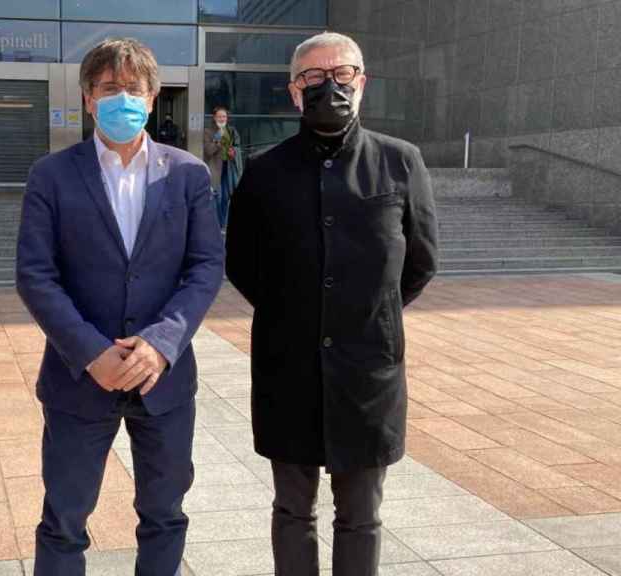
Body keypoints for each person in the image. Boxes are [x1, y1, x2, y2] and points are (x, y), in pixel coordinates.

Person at [225, 32, 438, 576]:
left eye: (341, 75)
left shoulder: (401, 163)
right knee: (293, 510)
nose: (330, 87)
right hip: (287, 369)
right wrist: (296, 314)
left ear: (361, 82)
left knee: (361, 515)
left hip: (368, 372)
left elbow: (419, 263)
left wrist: (367, 315)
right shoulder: (264, 172)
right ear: (295, 92)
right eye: (314, 79)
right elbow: (242, 266)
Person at [16, 38, 224, 576]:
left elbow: (205, 268)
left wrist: (161, 344)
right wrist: (91, 353)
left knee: (165, 514)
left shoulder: (188, 174)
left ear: (152, 98)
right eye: (110, 89)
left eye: (133, 89)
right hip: (79, 380)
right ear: (88, 99)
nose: (122, 98)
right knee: (64, 519)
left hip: (164, 381)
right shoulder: (52, 175)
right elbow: (35, 275)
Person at [203, 106, 243, 229]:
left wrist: (234, 152)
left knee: (226, 198)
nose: (222, 119)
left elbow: (237, 147)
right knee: (217, 197)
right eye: (219, 116)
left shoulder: (231, 130)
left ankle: (222, 225)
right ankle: (215, 225)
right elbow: (208, 151)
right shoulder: (208, 131)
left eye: (224, 116)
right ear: (214, 117)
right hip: (215, 169)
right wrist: (218, 137)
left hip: (228, 169)